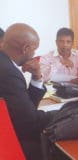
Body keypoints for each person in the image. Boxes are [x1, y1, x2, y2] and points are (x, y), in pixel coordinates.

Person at [0, 23, 57, 160]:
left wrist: (37, 77)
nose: (34, 54)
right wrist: (66, 111)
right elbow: (30, 123)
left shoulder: (5, 64)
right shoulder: (8, 72)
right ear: (25, 48)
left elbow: (26, 110)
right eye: (34, 49)